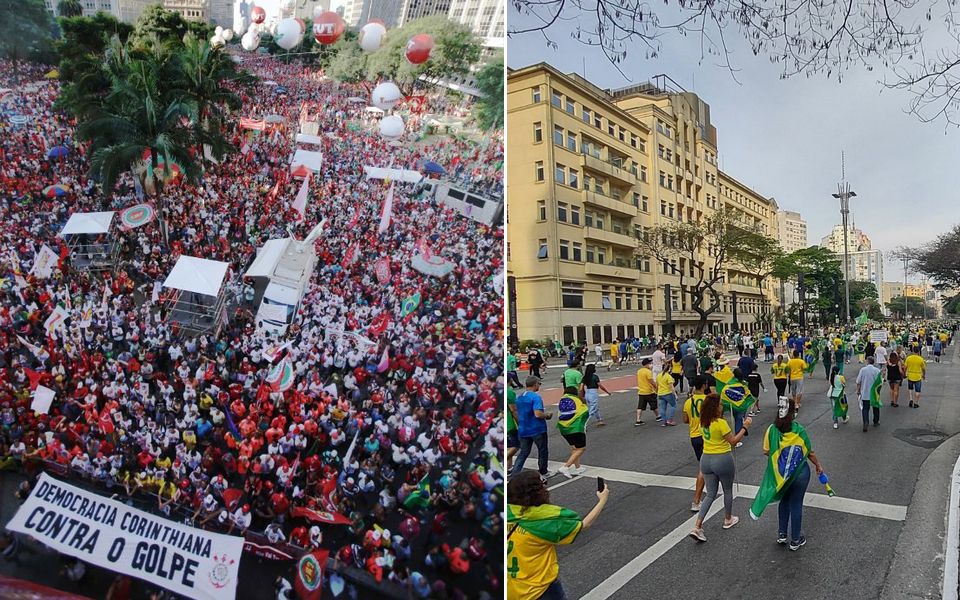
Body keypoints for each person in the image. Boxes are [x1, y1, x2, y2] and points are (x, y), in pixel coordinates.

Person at [506, 471, 609, 600]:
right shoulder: (544, 523)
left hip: (511, 588)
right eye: (543, 484)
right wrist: (602, 499)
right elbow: (583, 525)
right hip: (539, 588)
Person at [751, 397, 825, 551]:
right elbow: (809, 452)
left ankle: (782, 534)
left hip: (780, 474)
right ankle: (796, 540)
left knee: (784, 501)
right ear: (792, 413)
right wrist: (818, 466)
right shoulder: (799, 430)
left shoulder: (772, 429)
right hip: (800, 473)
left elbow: (766, 451)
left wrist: (780, 459)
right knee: (796, 504)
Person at [689, 393, 752, 542]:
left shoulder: (703, 421)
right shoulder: (720, 423)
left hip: (706, 459)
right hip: (722, 458)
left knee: (710, 494)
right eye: (720, 405)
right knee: (727, 490)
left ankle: (697, 526)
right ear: (715, 407)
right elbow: (734, 441)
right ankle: (728, 518)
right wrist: (745, 426)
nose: (722, 407)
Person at [511, 377, 553, 481]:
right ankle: (543, 471)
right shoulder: (535, 397)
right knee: (542, 450)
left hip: (523, 429)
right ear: (535, 384)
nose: (539, 385)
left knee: (524, 452)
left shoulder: (520, 397)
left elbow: (516, 411)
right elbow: (538, 414)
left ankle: (515, 474)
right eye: (539, 383)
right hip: (537, 428)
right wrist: (547, 415)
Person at [682, 376, 708, 512]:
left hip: (694, 436)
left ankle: (709, 489)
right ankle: (696, 500)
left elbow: (685, 419)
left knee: (705, 464)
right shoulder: (708, 400)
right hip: (707, 436)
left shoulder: (688, 402)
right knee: (704, 469)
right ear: (704, 385)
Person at [556, 388, 589, 479]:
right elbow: (585, 412)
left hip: (563, 428)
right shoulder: (577, 400)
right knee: (581, 449)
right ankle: (565, 467)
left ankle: (577, 467)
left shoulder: (562, 400)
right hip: (575, 428)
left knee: (575, 448)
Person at [855, 357, 883, 432]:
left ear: (867, 362)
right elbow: (880, 383)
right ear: (873, 362)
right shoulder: (877, 370)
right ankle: (876, 421)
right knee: (876, 407)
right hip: (874, 393)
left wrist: (858, 391)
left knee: (865, 409)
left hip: (865, 392)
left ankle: (865, 422)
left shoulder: (863, 370)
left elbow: (858, 381)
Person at [580, 364, 610, 428]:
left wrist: (582, 395)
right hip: (593, 393)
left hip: (587, 393)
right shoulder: (595, 377)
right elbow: (600, 386)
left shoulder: (585, 377)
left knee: (595, 407)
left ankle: (599, 420)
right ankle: (584, 424)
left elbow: (581, 387)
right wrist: (607, 392)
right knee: (592, 409)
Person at [635, 358, 659, 426]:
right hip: (649, 391)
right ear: (646, 364)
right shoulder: (648, 372)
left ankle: (638, 420)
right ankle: (658, 416)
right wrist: (656, 387)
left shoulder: (639, 371)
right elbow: (651, 381)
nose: (651, 365)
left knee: (640, 407)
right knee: (654, 405)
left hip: (641, 391)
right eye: (650, 363)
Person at [657, 358, 678, 427]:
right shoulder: (668, 376)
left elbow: (657, 385)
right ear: (670, 369)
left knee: (662, 408)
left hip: (660, 393)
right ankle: (670, 420)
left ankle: (664, 421)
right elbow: (671, 387)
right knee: (673, 406)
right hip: (668, 393)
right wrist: (675, 395)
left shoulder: (658, 376)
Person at [506, 387, 520, 471]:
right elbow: (513, 410)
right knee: (516, 445)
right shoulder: (509, 392)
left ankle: (508, 468)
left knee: (509, 446)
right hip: (509, 423)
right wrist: (519, 422)